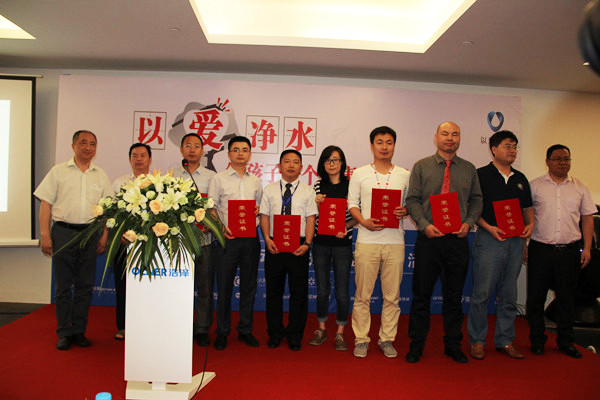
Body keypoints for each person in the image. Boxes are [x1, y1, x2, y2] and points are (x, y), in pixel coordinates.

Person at [405, 121, 483, 363]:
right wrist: (424, 224)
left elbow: (477, 200)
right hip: (429, 240)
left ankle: (453, 345)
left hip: (457, 240)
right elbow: (412, 199)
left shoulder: (469, 169)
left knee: (454, 296)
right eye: (445, 134)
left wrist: (469, 222)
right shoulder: (422, 166)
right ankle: (416, 345)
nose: (450, 138)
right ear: (436, 137)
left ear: (459, 139)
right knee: (421, 296)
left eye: (455, 134)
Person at [34, 130, 113, 350]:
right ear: (73, 146)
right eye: (83, 143)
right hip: (63, 232)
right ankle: (63, 331)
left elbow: (107, 209)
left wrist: (104, 234)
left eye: (92, 144)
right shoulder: (58, 171)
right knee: (63, 286)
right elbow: (46, 205)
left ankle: (79, 330)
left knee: (84, 286)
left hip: (90, 233)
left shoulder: (100, 175)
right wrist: (45, 234)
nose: (88, 147)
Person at [467, 130, 533, 360]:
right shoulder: (480, 175)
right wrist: (489, 228)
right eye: (507, 146)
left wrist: (530, 226)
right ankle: (477, 341)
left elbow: (527, 208)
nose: (512, 150)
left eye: (514, 146)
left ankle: (505, 340)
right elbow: (472, 209)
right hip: (489, 239)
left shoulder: (520, 178)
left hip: (515, 241)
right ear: (493, 149)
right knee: (482, 293)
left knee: (509, 293)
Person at [526, 144, 595, 359]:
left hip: (570, 250)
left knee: (566, 298)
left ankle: (566, 341)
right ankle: (537, 340)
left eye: (566, 159)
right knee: (535, 298)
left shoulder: (580, 187)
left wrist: (587, 248)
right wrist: (523, 244)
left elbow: (587, 218)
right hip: (540, 249)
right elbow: (526, 217)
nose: (562, 163)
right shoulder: (534, 186)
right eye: (557, 159)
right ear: (547, 162)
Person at [347, 126, 410, 359]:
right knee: (363, 295)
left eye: (389, 142)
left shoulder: (405, 175)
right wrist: (363, 221)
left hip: (395, 242)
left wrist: (405, 210)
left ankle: (387, 339)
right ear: (372, 145)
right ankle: (361, 339)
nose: (384, 147)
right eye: (380, 142)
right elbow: (352, 204)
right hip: (367, 241)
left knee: (392, 296)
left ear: (395, 145)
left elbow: (411, 203)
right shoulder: (360, 173)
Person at [209, 136, 263, 350]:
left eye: (244, 149)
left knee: (249, 286)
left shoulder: (255, 181)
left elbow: (260, 207)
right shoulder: (218, 179)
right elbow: (211, 208)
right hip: (227, 239)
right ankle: (222, 331)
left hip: (250, 239)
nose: (240, 153)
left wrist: (258, 211)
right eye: (236, 149)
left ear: (249, 154)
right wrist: (221, 228)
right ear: (229, 154)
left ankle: (245, 329)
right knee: (224, 287)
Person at [260, 149, 317, 351]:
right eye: (287, 161)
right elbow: (264, 216)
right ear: (279, 166)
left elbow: (311, 218)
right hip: (275, 244)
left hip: (298, 245)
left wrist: (307, 243)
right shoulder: (269, 189)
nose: (291, 165)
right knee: (273, 291)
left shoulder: (308, 191)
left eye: (295, 162)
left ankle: (295, 334)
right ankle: (275, 333)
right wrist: (267, 239)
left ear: (301, 167)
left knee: (298, 292)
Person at [309, 146, 357, 352]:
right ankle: (321, 329)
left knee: (342, 291)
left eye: (335, 160)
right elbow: (310, 214)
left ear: (342, 163)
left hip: (342, 244)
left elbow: (357, 214)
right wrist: (316, 202)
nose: (332, 164)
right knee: (322, 290)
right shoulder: (317, 186)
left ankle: (340, 332)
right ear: (323, 163)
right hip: (320, 243)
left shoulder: (351, 185)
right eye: (328, 160)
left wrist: (346, 227)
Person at [172, 133, 217, 347]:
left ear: (202, 151)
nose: (192, 149)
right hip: (178, 241)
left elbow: (215, 206)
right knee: (179, 288)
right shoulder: (172, 175)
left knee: (204, 287)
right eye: (188, 145)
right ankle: (180, 326)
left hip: (203, 240)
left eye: (196, 146)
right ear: (181, 149)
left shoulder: (211, 177)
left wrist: (212, 222)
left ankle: (202, 328)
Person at [110, 143, 152, 340]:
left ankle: (148, 325)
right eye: (135, 155)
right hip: (124, 241)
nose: (139, 159)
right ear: (129, 159)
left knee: (150, 285)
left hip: (150, 243)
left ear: (149, 159)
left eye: (143, 155)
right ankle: (123, 325)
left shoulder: (159, 183)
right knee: (123, 284)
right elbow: (112, 211)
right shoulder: (120, 183)